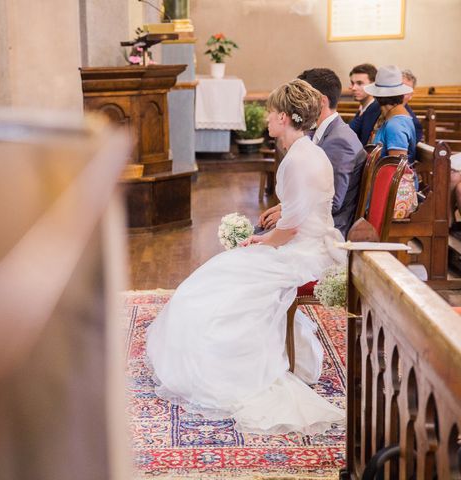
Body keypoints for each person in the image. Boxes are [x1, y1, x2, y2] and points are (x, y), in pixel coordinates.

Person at [145, 79, 345, 435]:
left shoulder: (300, 159)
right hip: (305, 241)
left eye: (270, 113)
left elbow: (292, 231)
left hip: (306, 252)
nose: (267, 118)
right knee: (221, 273)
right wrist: (280, 212)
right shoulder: (305, 151)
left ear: (284, 117)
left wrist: (262, 239)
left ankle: (226, 366)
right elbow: (306, 204)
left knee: (222, 282)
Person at [260, 68, 365, 238]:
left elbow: (333, 202)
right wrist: (283, 208)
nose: (298, 105)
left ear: (321, 101)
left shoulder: (339, 140)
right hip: (307, 218)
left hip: (328, 229)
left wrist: (287, 213)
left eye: (304, 97)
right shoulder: (322, 132)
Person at [364, 65, 418, 219]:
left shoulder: (396, 124)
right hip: (382, 186)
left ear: (377, 96)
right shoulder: (394, 118)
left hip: (389, 193)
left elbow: (396, 167)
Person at [348, 63, 378, 145]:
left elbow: (365, 144)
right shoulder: (363, 107)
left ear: (373, 85)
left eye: (360, 83)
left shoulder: (375, 109)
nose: (354, 88)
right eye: (352, 83)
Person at [401, 69, 424, 141]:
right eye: (400, 87)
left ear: (411, 95)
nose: (401, 93)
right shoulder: (378, 108)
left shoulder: (414, 125)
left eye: (406, 90)